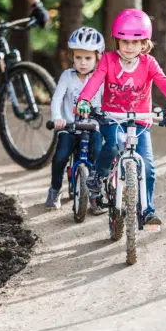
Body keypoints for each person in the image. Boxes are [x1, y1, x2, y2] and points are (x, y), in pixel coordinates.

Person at [75, 9, 166, 226]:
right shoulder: (107, 60)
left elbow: (163, 81)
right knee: (114, 147)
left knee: (147, 166)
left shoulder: (149, 63)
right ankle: (98, 176)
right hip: (112, 117)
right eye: (123, 41)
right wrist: (84, 100)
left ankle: (147, 212)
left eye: (134, 43)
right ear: (116, 41)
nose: (128, 47)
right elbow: (95, 80)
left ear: (144, 43)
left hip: (141, 121)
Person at [45, 27, 105, 212]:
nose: (83, 63)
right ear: (72, 56)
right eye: (78, 57)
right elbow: (57, 99)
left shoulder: (100, 78)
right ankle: (55, 190)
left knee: (98, 154)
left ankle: (95, 195)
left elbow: (106, 101)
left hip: (92, 127)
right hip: (69, 126)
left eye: (88, 58)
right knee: (60, 156)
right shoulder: (67, 76)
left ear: (97, 57)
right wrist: (57, 118)